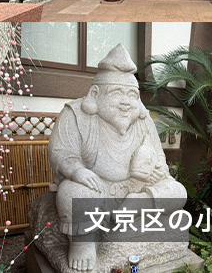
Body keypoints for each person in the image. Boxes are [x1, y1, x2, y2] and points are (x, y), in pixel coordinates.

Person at [48, 43, 185, 271]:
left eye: (132, 95)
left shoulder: (143, 122)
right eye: (117, 93)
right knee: (73, 193)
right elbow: (61, 152)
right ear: (95, 94)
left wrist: (157, 173)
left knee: (178, 191)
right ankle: (83, 243)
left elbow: (160, 164)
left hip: (136, 190)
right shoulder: (76, 114)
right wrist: (77, 171)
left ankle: (134, 207)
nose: (125, 102)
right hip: (96, 187)